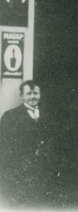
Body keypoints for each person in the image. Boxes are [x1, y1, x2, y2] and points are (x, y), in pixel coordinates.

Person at [0, 80, 50, 208]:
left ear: (40, 94)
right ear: (22, 96)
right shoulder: (10, 116)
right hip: (21, 169)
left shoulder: (49, 114)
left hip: (44, 169)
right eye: (29, 93)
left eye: (35, 93)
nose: (33, 97)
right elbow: (4, 144)